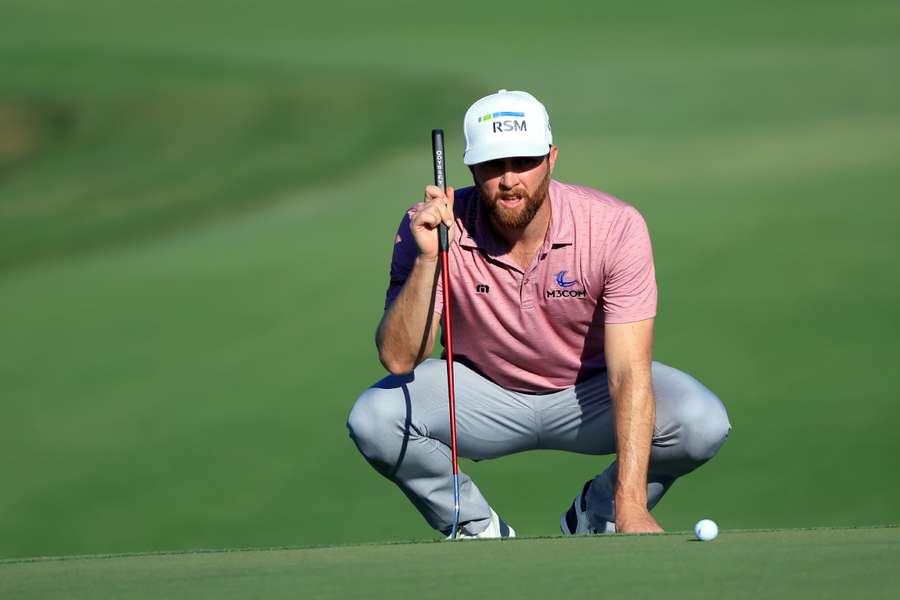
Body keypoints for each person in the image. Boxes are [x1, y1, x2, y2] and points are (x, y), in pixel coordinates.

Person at [347, 90, 731, 539]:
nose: (509, 180)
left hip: (586, 394)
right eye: (493, 165)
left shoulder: (613, 226)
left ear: (551, 158)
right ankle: (474, 525)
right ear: (471, 167)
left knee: (702, 422)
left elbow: (628, 371)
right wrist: (429, 259)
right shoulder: (431, 226)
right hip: (480, 394)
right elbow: (398, 360)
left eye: (524, 161)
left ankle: (600, 512)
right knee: (374, 418)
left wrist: (632, 508)